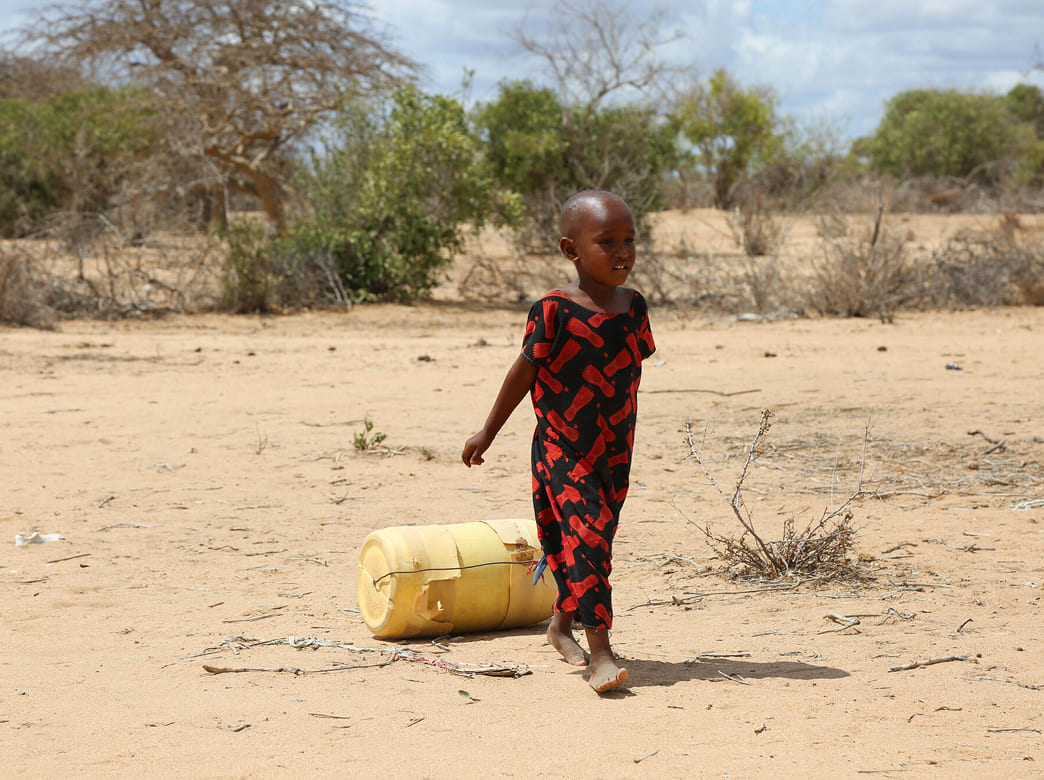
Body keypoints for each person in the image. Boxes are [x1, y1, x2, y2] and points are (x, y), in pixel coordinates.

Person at [461, 190, 655, 693]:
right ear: (571, 250)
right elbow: (523, 372)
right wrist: (488, 431)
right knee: (587, 538)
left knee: (592, 544)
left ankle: (559, 624)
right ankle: (602, 653)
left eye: (629, 240)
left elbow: (631, 371)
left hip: (615, 451)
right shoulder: (552, 310)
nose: (622, 252)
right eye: (606, 241)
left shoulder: (634, 307)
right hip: (561, 447)